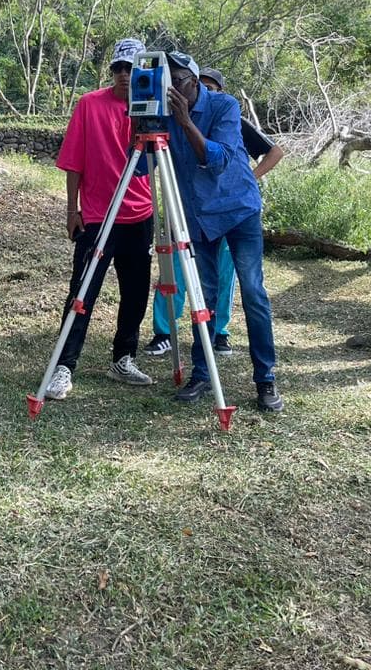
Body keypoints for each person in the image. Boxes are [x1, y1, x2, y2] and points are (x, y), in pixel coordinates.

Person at [156, 52, 284, 413]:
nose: (171, 88)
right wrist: (139, 125)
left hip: (238, 210)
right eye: (167, 81)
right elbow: (140, 171)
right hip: (197, 217)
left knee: (253, 292)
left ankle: (266, 378)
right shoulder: (161, 113)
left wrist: (183, 122)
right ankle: (202, 371)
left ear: (194, 82)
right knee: (204, 296)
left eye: (178, 80)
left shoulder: (224, 105)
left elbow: (219, 159)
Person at [44, 38, 155, 400]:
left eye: (132, 68)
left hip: (140, 216)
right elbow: (73, 160)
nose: (125, 75)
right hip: (96, 216)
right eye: (119, 68)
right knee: (83, 292)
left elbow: (161, 161)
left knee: (136, 294)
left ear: (143, 72)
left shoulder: (151, 109)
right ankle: (63, 366)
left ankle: (123, 358)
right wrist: (71, 208)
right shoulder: (89, 105)